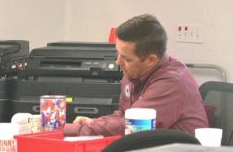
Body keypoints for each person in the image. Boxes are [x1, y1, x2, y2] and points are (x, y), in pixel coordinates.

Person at [64, 14, 208, 137]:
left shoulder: (172, 82)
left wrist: (73, 130)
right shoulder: (134, 72)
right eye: (118, 54)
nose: (118, 62)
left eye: (127, 59)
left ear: (151, 60)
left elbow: (133, 125)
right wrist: (94, 122)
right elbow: (123, 115)